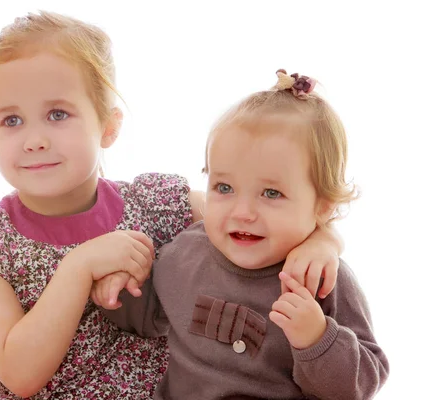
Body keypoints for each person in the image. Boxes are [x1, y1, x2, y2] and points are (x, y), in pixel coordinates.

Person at [0, 9, 344, 399]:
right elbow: (19, 375)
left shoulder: (154, 203)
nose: (33, 140)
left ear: (108, 126)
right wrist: (78, 267)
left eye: (57, 114)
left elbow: (252, 216)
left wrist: (323, 241)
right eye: (11, 120)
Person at [93, 70, 389, 399]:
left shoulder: (322, 278)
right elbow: (149, 316)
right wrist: (118, 291)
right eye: (224, 188)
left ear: (322, 206)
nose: (242, 212)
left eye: (271, 193)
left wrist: (318, 339)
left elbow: (363, 383)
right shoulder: (187, 251)